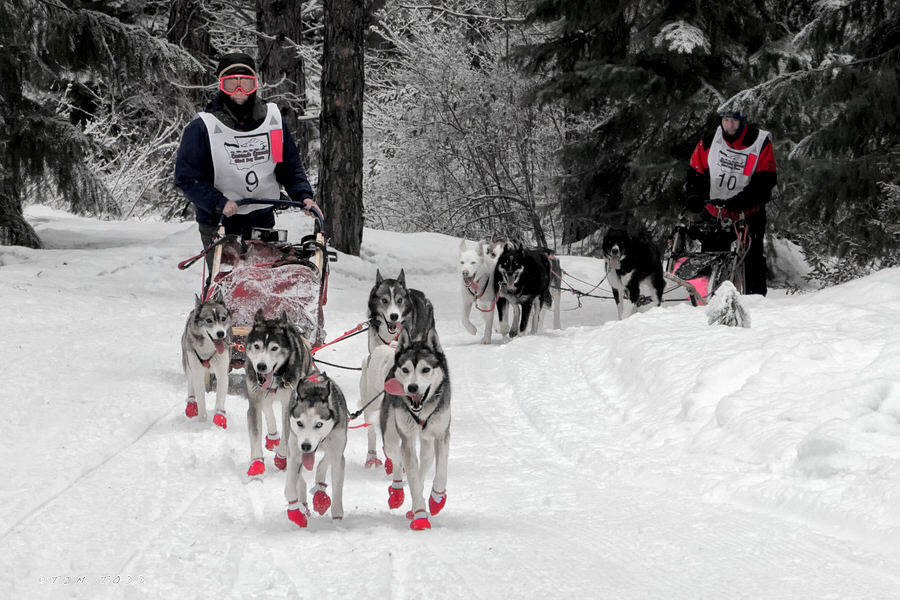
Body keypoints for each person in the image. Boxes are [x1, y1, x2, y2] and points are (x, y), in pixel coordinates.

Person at [175, 52, 321, 270]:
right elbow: (187, 179)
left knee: (261, 283)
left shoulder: (272, 121)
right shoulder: (202, 127)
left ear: (255, 84)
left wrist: (304, 196)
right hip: (219, 222)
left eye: (246, 83)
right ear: (221, 86)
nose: (239, 91)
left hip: (261, 217)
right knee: (227, 284)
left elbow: (288, 167)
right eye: (231, 83)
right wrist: (219, 203)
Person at [684, 107, 777, 296]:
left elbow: (765, 181)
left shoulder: (759, 143)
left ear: (743, 121)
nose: (730, 125)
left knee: (752, 261)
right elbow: (695, 173)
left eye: (734, 120)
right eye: (726, 120)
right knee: (711, 258)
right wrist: (694, 196)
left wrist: (742, 200)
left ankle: (756, 302)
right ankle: (707, 300)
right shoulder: (711, 141)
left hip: (748, 213)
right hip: (716, 211)